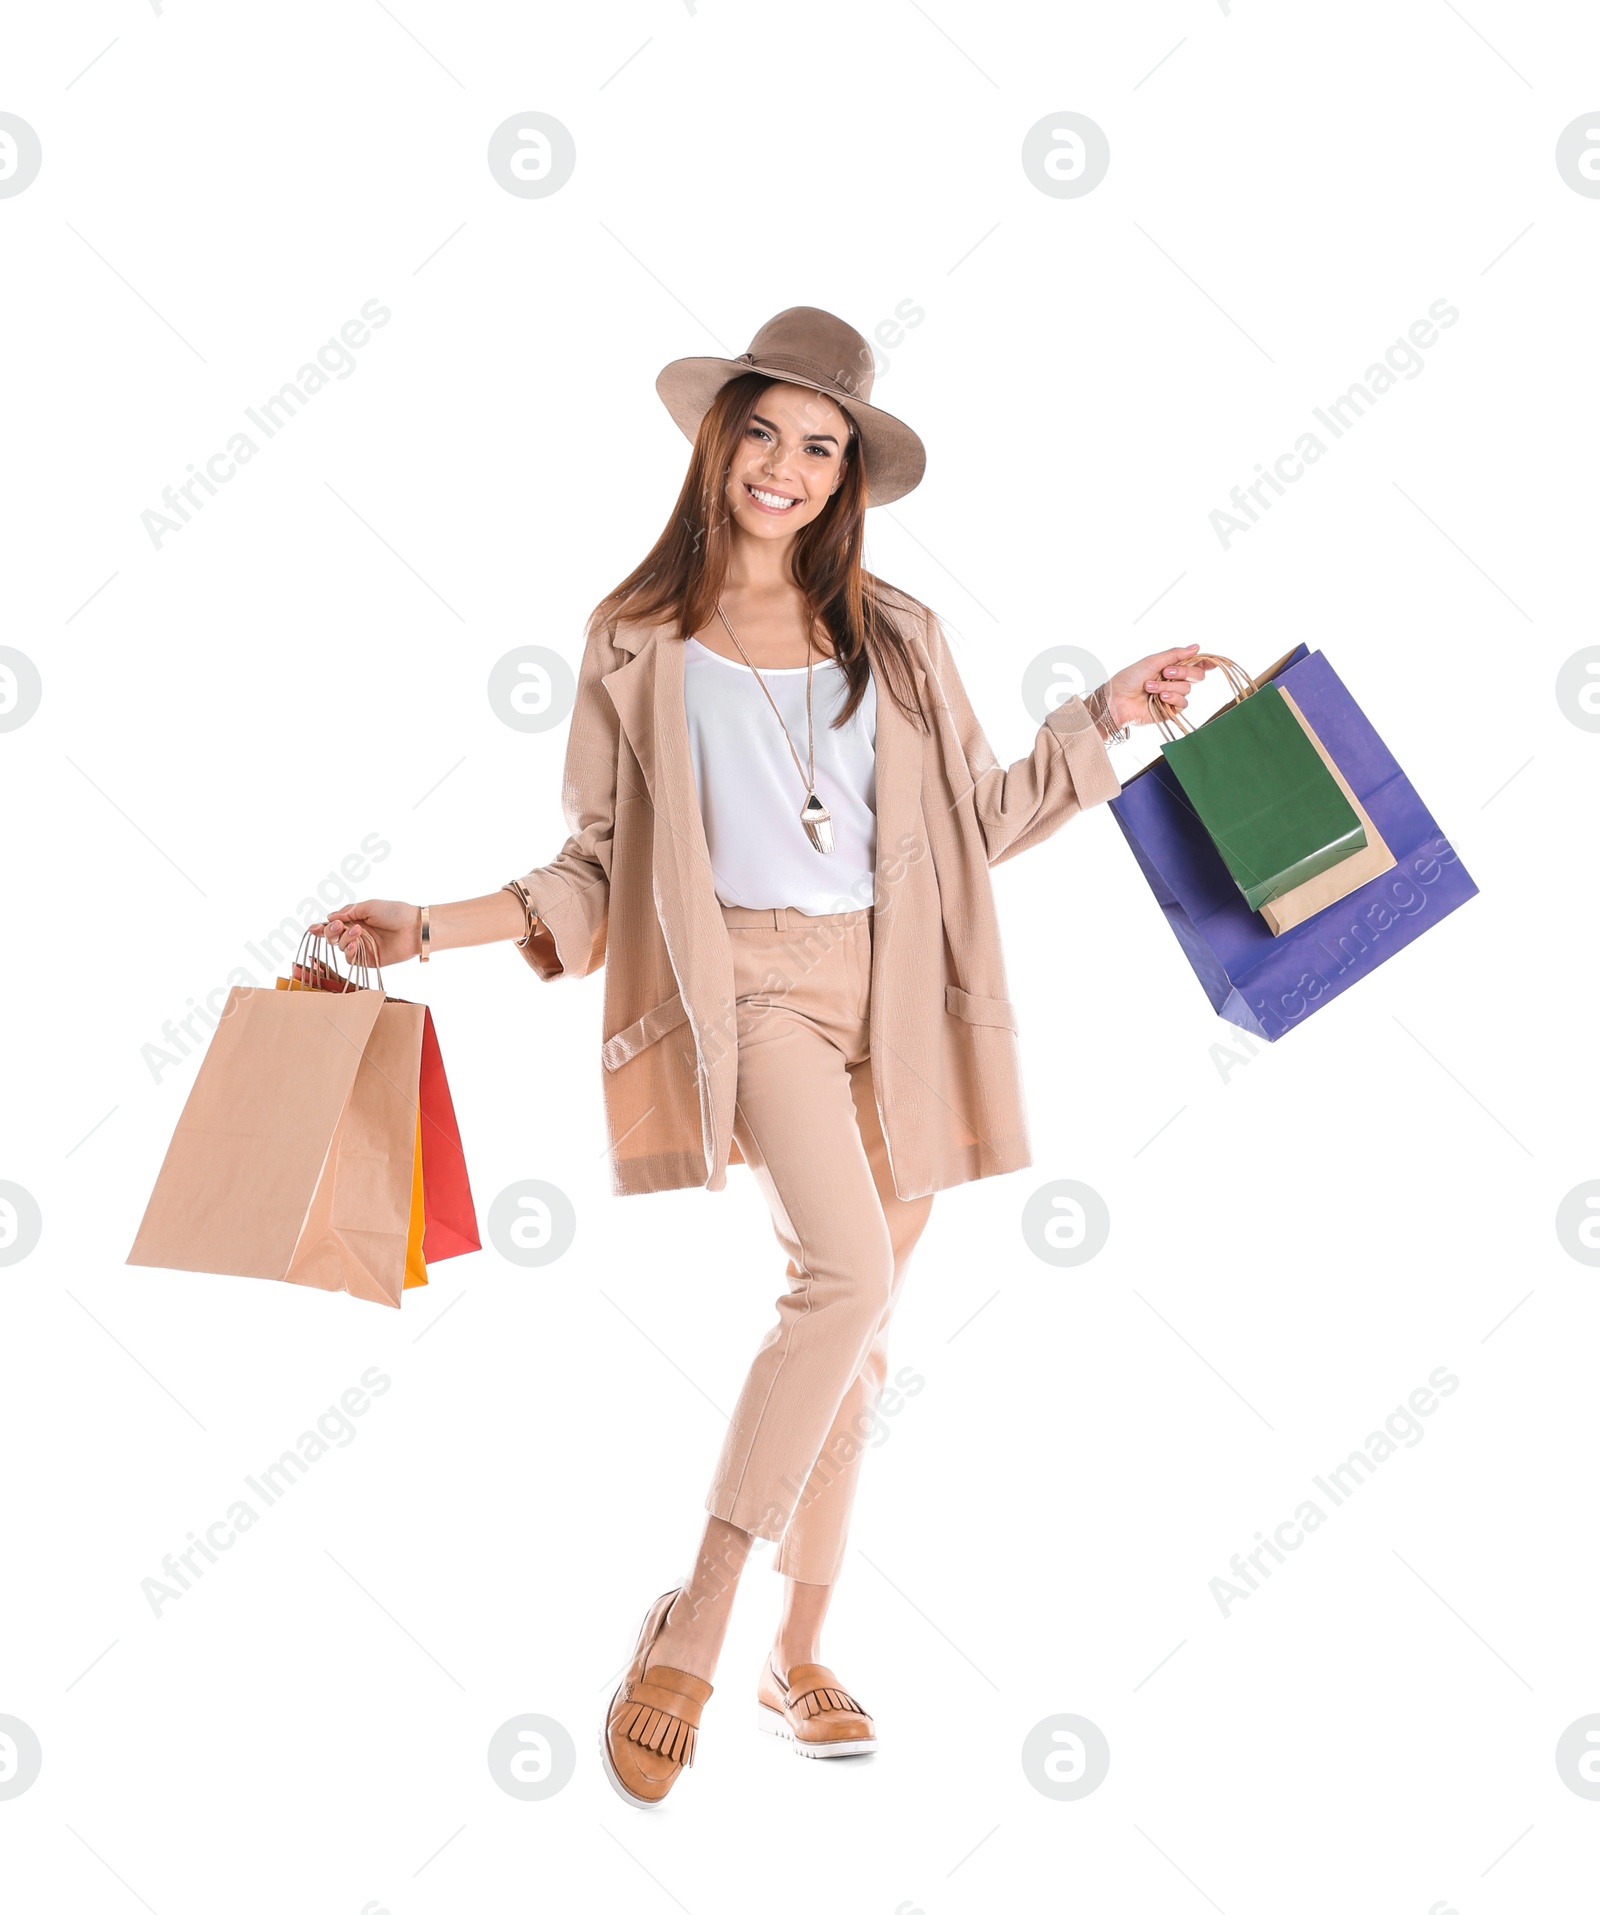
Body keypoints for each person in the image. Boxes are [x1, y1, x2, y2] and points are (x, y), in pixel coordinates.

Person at [315, 306, 1213, 1807]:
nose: (785, 466)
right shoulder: (635, 641)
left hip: (908, 998)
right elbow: (602, 866)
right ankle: (705, 1616)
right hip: (763, 995)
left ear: (845, 472)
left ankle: (805, 1654)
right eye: (764, 431)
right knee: (842, 1279)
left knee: (858, 1346)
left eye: (820, 445)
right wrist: (437, 925)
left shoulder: (900, 633)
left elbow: (971, 833)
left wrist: (1104, 716)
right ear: (716, 438)